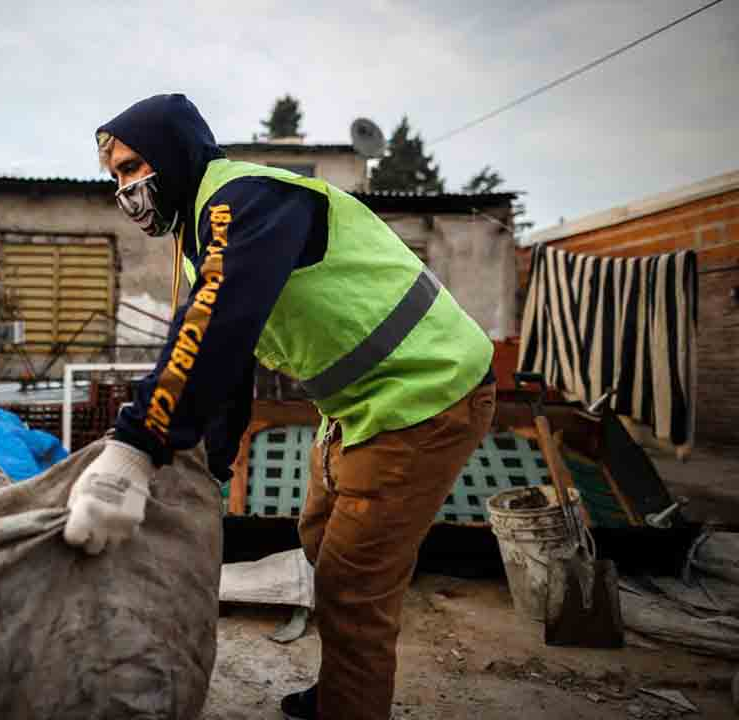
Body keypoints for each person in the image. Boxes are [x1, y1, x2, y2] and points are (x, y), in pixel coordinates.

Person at [62, 94, 497, 720]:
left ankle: (349, 707)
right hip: (364, 403)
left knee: (353, 585)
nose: (126, 188)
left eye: (133, 167)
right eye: (117, 177)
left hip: (427, 395)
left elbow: (215, 325)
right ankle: (344, 685)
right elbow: (229, 358)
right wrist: (210, 465)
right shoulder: (204, 230)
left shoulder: (245, 201)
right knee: (319, 537)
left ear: (174, 150)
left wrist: (135, 449)